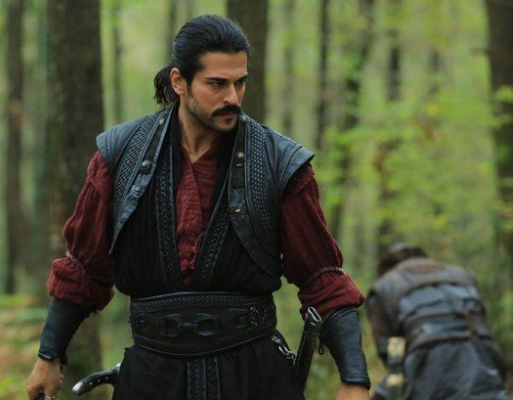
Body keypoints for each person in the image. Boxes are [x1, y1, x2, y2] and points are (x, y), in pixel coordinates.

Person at [26, 15, 371, 400]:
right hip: (152, 378)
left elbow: (322, 278)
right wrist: (49, 354)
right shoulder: (121, 155)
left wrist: (354, 378)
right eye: (217, 84)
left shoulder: (278, 162)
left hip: (252, 376)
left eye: (240, 82)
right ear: (179, 81)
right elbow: (83, 267)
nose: (233, 98)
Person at [366, 243, 508, 400]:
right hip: (481, 355)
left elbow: (387, 351)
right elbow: (483, 323)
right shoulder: (463, 275)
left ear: (386, 268)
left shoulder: (384, 286)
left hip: (426, 363)